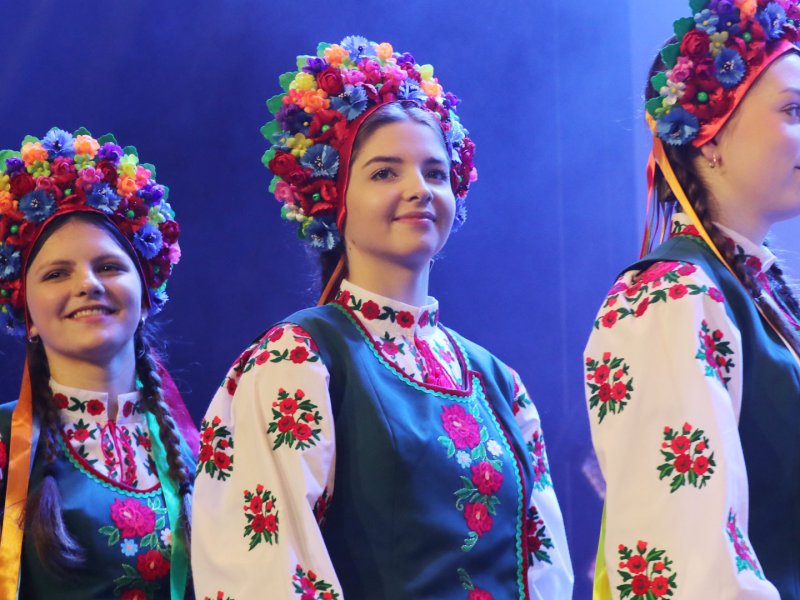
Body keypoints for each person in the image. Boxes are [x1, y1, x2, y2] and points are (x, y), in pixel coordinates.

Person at [192, 36, 573, 599]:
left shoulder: (498, 382)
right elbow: (265, 572)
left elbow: (544, 566)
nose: (419, 190)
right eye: (385, 173)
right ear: (332, 197)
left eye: (435, 173)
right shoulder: (298, 359)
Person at [586, 1, 800, 597]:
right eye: (793, 110)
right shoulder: (669, 296)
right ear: (709, 139)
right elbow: (688, 562)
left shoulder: (759, 294)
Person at [0, 128, 198, 598]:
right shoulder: (6, 441)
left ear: (145, 297)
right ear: (28, 315)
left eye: (108, 267)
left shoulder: (199, 452)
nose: (88, 285)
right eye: (56, 273)